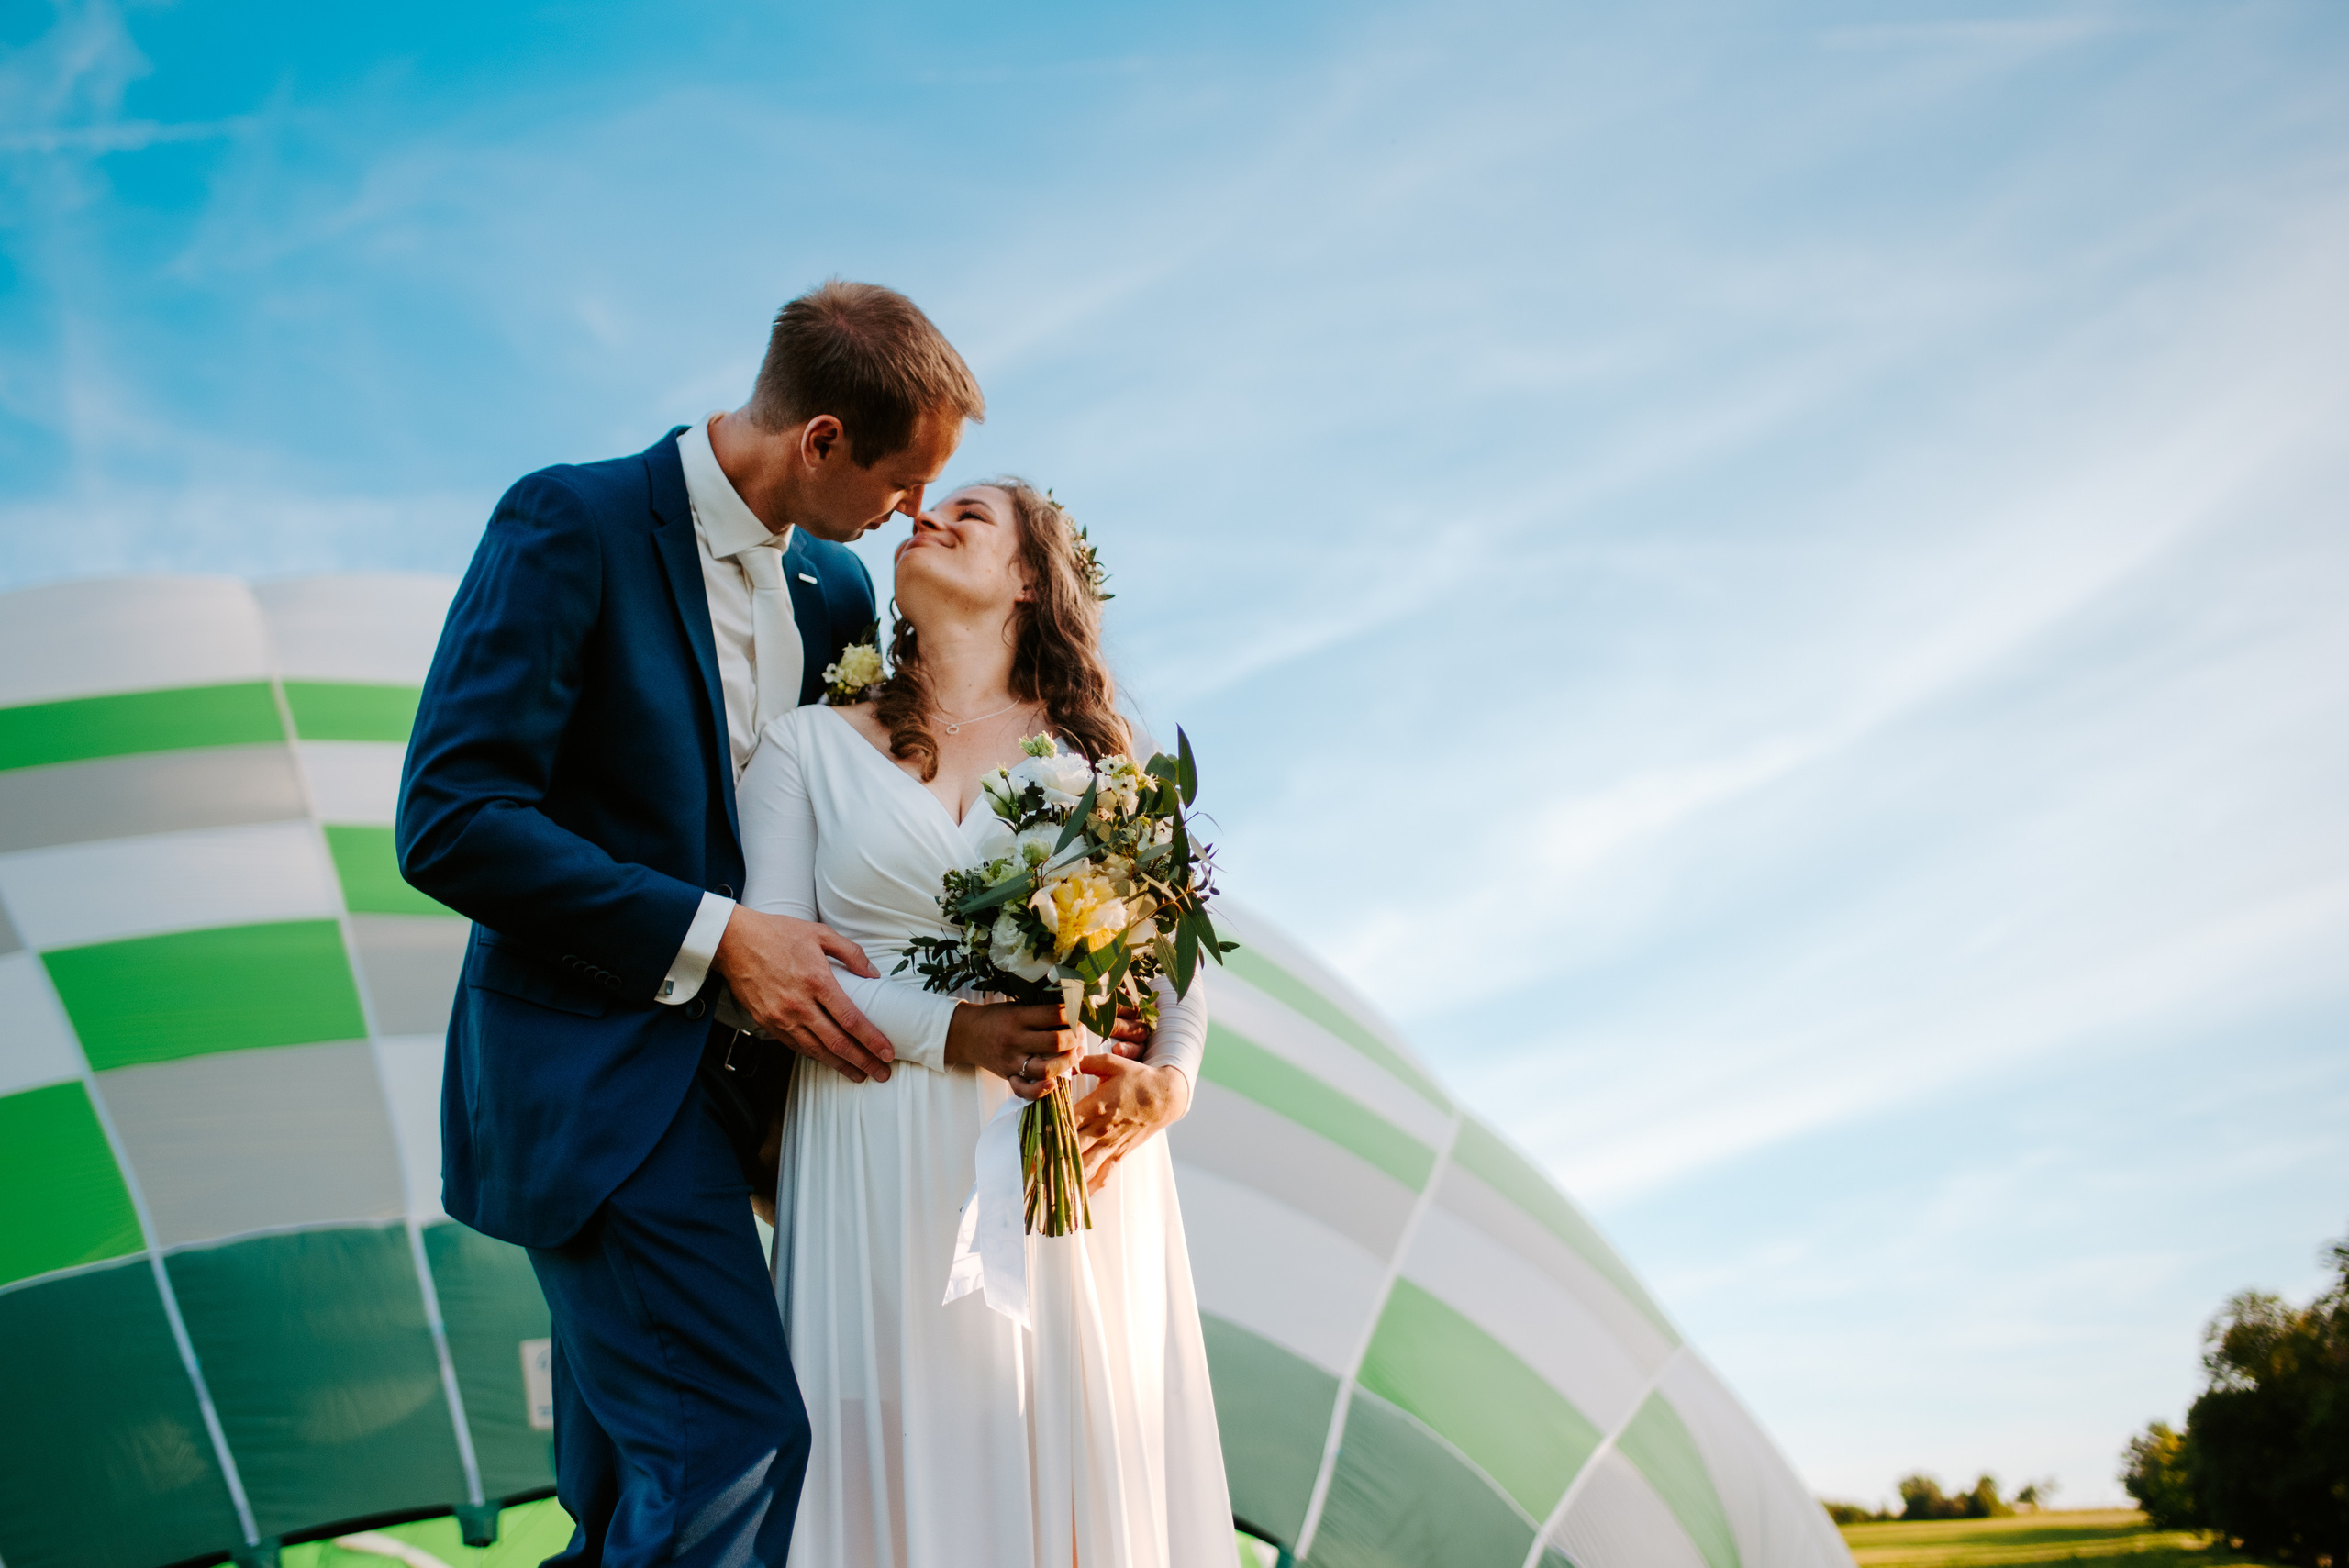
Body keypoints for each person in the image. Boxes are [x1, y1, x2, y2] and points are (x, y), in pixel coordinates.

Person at [397, 280, 990, 1568]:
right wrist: (717, 936)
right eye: (900, 482)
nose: (908, 519)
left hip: (751, 1115)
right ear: (823, 439)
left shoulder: (833, 593)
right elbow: (451, 818)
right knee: (735, 1445)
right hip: (597, 1085)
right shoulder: (571, 521)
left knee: (632, 1513)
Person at [736, 480, 1230, 1567]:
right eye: (922, 514)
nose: (928, 520)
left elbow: (1177, 964)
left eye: (968, 514)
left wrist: (1170, 1078)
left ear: (1024, 578)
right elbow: (772, 977)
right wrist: (951, 1033)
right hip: (870, 1141)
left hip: (1069, 1174)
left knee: (1066, 1464)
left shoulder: (1105, 767)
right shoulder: (805, 748)